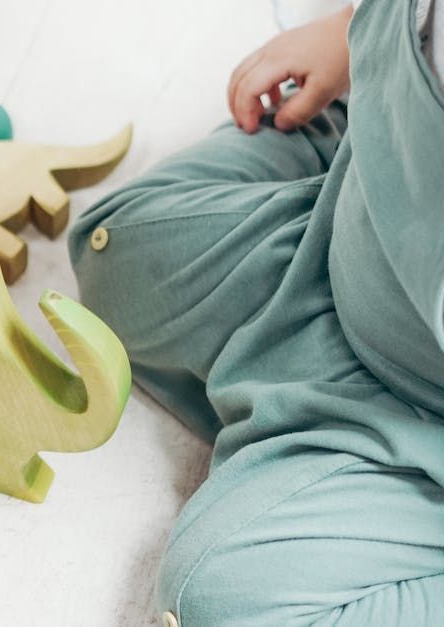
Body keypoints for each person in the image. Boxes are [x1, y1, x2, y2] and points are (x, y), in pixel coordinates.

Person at [70, 0, 444, 624]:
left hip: (420, 419)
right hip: (336, 237)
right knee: (111, 252)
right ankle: (345, 124)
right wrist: (352, 36)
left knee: (219, 602)